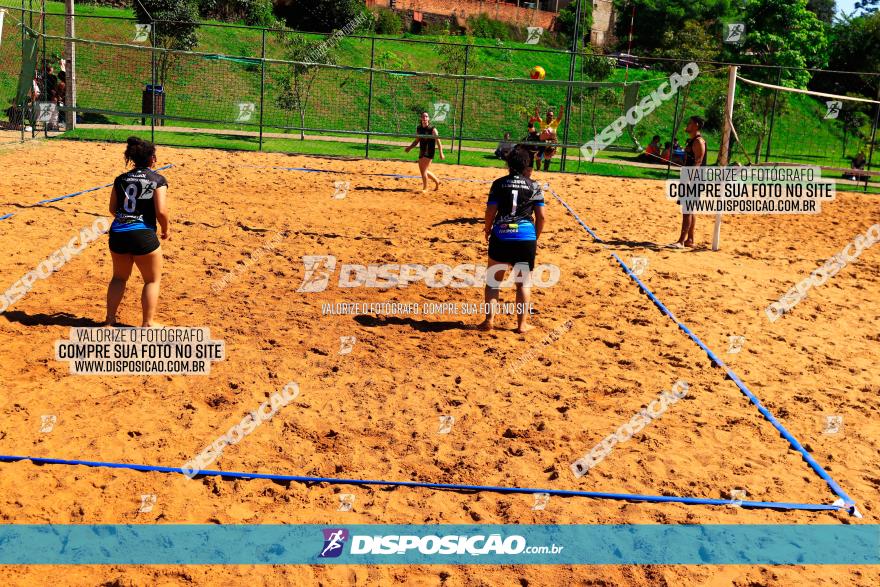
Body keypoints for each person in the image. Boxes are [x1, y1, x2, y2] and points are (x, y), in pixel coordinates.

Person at [478, 146, 546, 334]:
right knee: (523, 283)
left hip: (501, 234)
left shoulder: (499, 184)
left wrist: (487, 229)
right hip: (525, 237)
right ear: (526, 164)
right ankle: (522, 325)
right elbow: (541, 217)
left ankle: (488, 321)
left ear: (508, 163)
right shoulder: (535, 186)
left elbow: (490, 211)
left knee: (493, 281)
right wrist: (535, 237)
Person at [105, 137, 170, 327]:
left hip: (118, 232)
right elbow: (161, 211)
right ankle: (147, 323)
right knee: (152, 280)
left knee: (118, 277)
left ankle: (109, 320)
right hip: (142, 234)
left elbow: (112, 209)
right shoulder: (157, 179)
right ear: (153, 159)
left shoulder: (121, 179)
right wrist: (166, 229)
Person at [669, 116, 707, 249]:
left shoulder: (698, 142)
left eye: (689, 123)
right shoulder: (691, 141)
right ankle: (690, 239)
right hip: (689, 179)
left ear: (696, 125)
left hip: (694, 180)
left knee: (687, 210)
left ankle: (681, 241)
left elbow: (698, 161)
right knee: (690, 210)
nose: (687, 125)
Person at [405, 111, 444, 192]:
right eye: (423, 116)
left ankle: (425, 188)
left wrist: (441, 153)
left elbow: (438, 142)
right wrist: (410, 147)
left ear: (428, 119)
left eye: (426, 116)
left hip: (429, 152)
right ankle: (437, 181)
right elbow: (416, 141)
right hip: (422, 151)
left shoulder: (432, 129)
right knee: (424, 170)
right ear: (421, 118)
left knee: (424, 171)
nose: (424, 118)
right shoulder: (419, 128)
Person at [536, 106, 564, 171]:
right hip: (543, 142)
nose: (550, 116)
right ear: (546, 116)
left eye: (551, 115)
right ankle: (538, 170)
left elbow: (559, 118)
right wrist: (536, 111)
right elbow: (538, 118)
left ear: (553, 117)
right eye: (548, 115)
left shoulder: (554, 123)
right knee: (538, 156)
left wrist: (561, 111)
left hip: (551, 142)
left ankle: (545, 170)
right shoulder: (543, 122)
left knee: (548, 154)